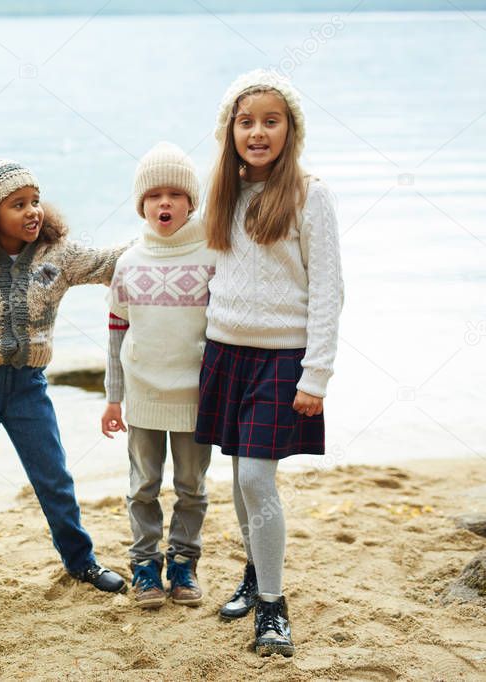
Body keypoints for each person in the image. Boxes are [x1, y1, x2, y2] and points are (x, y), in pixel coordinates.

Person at [195, 69, 344, 657]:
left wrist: (318, 373)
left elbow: (329, 288)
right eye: (246, 121)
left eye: (270, 121)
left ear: (291, 129)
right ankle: (255, 578)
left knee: (258, 478)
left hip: (283, 357)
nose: (257, 132)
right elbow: (206, 268)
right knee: (238, 475)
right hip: (225, 352)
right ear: (229, 129)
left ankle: (275, 609)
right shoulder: (223, 192)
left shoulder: (312, 194)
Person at [0, 155, 129, 611]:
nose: (32, 212)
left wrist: (173, 238)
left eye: (35, 201)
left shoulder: (58, 257)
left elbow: (111, 263)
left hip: (28, 384)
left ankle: (80, 560)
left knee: (53, 475)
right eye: (18, 204)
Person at [101, 142, 215, 610]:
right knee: (142, 485)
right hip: (143, 395)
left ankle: (184, 561)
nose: (163, 203)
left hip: (195, 398)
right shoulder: (129, 262)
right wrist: (113, 397)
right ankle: (145, 564)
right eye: (153, 195)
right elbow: (115, 332)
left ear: (191, 202)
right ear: (141, 204)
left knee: (191, 486)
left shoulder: (212, 256)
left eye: (174, 194)